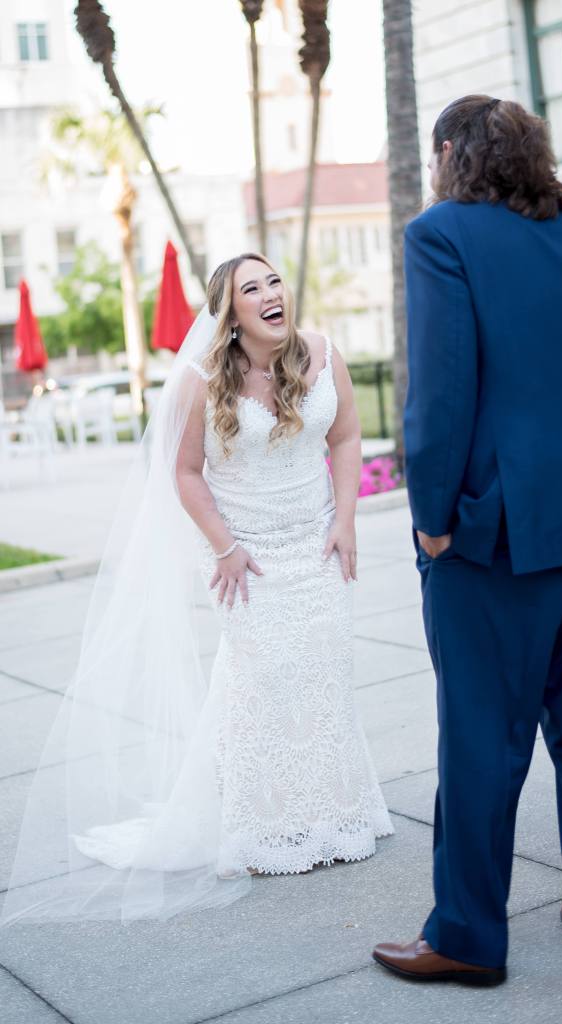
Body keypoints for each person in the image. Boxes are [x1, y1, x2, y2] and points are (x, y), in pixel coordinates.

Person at [372, 95, 562, 986]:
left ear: (450, 153)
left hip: (495, 532)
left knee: (480, 733)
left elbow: (440, 391)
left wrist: (433, 518)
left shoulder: (441, 234)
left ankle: (466, 935)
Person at [1, 253, 392, 925]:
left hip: (318, 546)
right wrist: (225, 546)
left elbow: (349, 435)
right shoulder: (200, 380)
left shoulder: (323, 354)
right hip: (250, 560)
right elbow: (182, 471)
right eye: (251, 288)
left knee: (324, 675)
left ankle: (336, 814)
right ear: (230, 314)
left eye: (274, 281)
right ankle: (262, 827)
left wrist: (347, 520)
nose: (270, 294)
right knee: (260, 684)